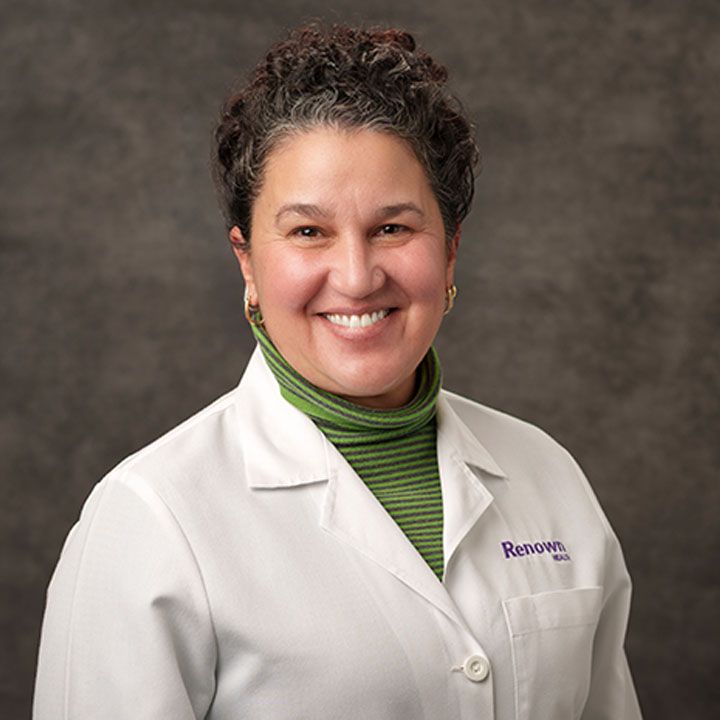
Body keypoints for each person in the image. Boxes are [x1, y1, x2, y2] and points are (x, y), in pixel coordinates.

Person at [33, 23, 642, 720]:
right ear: (247, 262)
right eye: (308, 232)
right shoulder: (150, 517)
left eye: (392, 228)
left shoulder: (548, 474)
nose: (356, 277)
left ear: (449, 251)